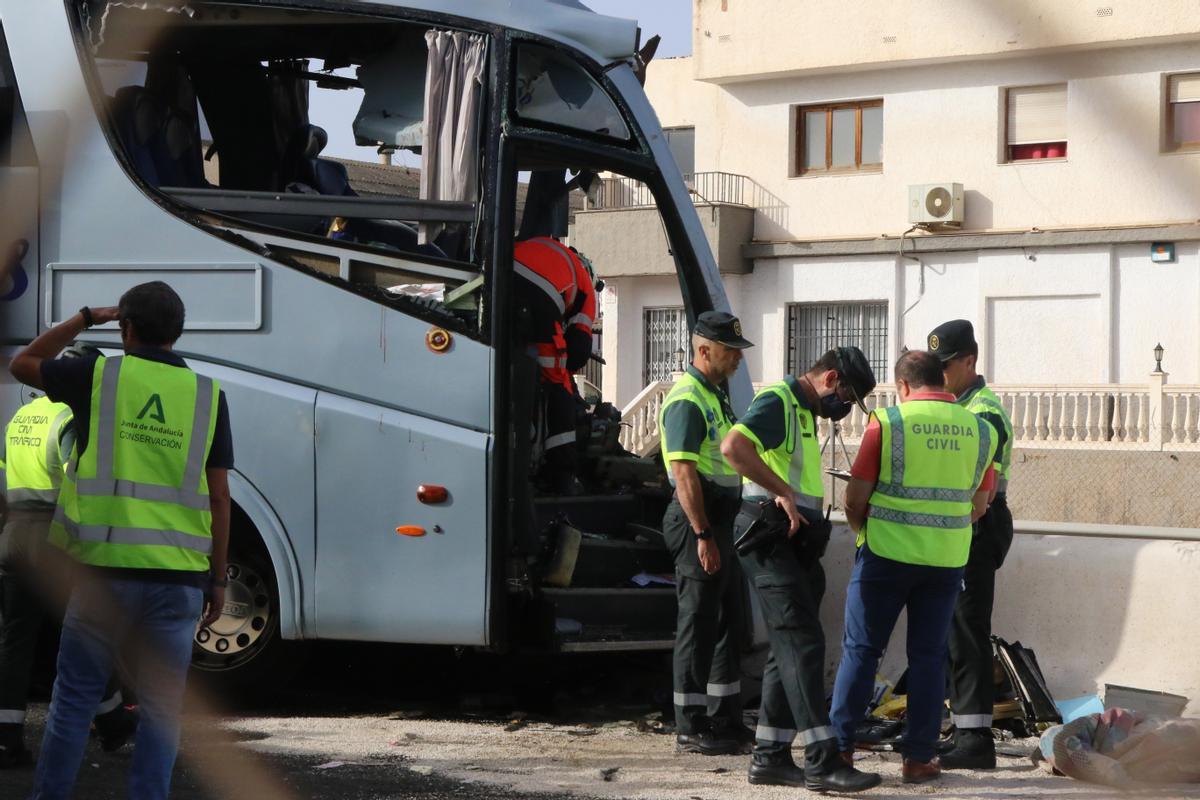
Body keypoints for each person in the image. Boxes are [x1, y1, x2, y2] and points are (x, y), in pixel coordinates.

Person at [10, 281, 233, 800]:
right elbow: (219, 497)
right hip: (178, 581)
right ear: (177, 333)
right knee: (161, 707)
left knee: (74, 700)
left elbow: (24, 362)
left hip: (103, 575)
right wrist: (218, 579)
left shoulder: (98, 374)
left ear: (125, 328)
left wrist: (86, 318)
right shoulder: (207, 394)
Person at [829, 350, 997, 785]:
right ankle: (919, 759)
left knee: (862, 650)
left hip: (885, 555)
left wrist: (865, 530)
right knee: (929, 657)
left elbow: (855, 497)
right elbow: (980, 505)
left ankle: (842, 750)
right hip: (946, 561)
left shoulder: (887, 423)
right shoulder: (981, 429)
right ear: (941, 380)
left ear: (903, 386)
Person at [721, 347, 881, 792]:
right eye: (847, 395)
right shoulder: (780, 401)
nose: (845, 407)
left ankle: (771, 755)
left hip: (793, 544)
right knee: (803, 643)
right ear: (830, 378)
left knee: (788, 647)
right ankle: (822, 759)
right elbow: (734, 446)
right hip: (769, 538)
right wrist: (783, 491)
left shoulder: (802, 411)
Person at [0, 366, 136, 769]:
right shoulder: (69, 420)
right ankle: (112, 721)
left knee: (13, 641)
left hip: (13, 536)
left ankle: (7, 740)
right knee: (87, 633)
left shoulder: (22, 416)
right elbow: (77, 486)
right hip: (54, 539)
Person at [659, 310, 752, 755]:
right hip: (700, 519)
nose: (737, 359)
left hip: (720, 519)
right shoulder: (688, 399)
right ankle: (690, 724)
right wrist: (702, 535)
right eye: (730, 351)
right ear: (703, 350)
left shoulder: (716, 395)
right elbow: (684, 473)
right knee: (697, 623)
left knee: (730, 621)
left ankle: (725, 719)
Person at [927, 319, 1015, 769]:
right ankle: (962, 726)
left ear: (970, 361)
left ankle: (976, 739)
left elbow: (977, 473)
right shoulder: (957, 404)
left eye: (946, 366)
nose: (939, 375)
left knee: (966, 630)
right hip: (960, 524)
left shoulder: (983, 410)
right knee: (951, 630)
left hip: (978, 523)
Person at [513, 236, 597, 495]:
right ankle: (562, 474)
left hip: (502, 271)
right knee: (558, 382)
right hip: (541, 291)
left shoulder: (554, 253)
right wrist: (564, 374)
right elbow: (579, 350)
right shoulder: (586, 287)